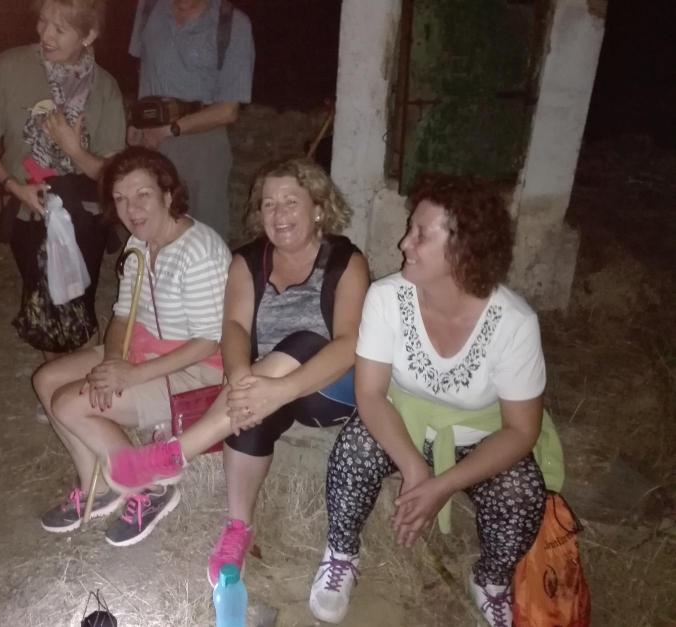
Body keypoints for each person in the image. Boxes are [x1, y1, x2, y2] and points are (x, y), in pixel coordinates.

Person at [307, 174, 565, 625]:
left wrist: (442, 486)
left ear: (465, 248)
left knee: (522, 492)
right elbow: (370, 394)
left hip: (480, 435)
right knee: (354, 450)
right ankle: (341, 553)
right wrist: (414, 467)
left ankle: (492, 579)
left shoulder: (513, 322)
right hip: (403, 420)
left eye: (421, 234)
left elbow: (522, 430)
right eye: (410, 228)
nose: (404, 242)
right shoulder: (387, 298)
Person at [106, 157, 371, 586]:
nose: (279, 214)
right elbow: (233, 328)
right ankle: (237, 529)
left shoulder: (345, 260)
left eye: (291, 202)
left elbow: (349, 343)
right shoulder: (248, 261)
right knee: (250, 411)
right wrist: (239, 377)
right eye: (268, 204)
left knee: (305, 340)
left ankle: (178, 453)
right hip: (266, 386)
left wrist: (280, 388)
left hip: (329, 389)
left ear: (319, 208)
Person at [32, 146, 231, 546]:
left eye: (142, 195)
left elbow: (208, 341)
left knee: (69, 403)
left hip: (194, 368)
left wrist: (133, 375)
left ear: (168, 195)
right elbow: (122, 316)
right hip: (143, 350)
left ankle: (151, 487)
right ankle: (98, 486)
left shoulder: (199, 252)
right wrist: (112, 362)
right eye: (120, 199)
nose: (131, 209)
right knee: (46, 379)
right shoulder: (140, 245)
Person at [0, 0, 126, 422]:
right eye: (43, 22)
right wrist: (12, 186)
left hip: (84, 209)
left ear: (88, 35)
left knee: (80, 300)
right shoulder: (10, 67)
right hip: (26, 205)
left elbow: (112, 173)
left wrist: (73, 148)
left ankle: (86, 387)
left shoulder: (104, 87)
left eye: (60, 28)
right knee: (43, 298)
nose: (45, 35)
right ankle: (56, 383)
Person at [127, 0, 255, 240]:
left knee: (204, 236)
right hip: (151, 143)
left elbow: (228, 110)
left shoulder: (233, 24)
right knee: (149, 232)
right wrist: (135, 120)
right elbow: (144, 69)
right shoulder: (148, 7)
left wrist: (170, 130)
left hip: (203, 145)